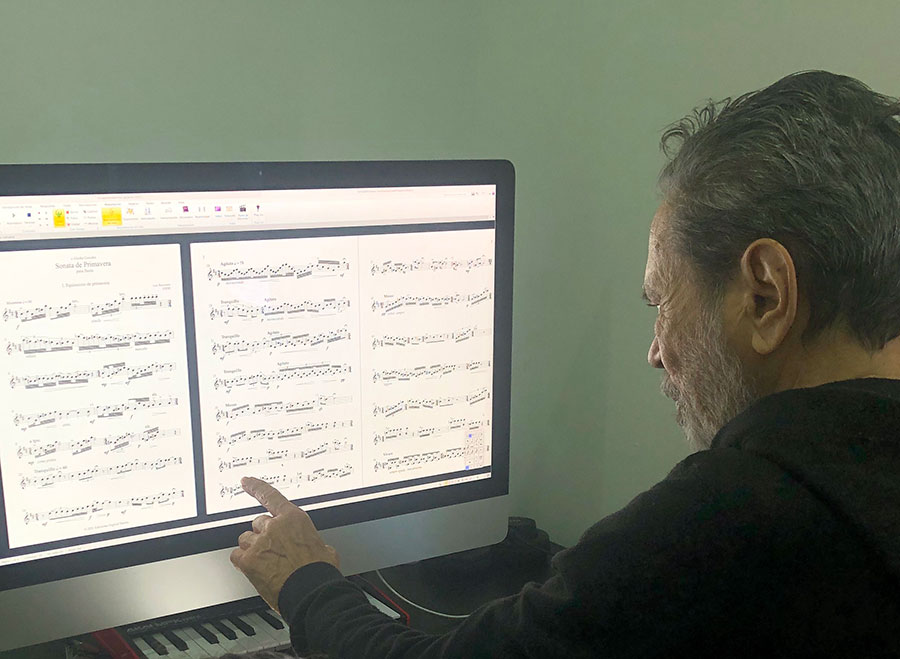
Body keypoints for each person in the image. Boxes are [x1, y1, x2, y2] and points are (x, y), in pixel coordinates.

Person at [230, 70, 900, 657]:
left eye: (662, 302)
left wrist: (304, 582)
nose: (656, 351)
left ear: (766, 294)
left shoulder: (731, 521)